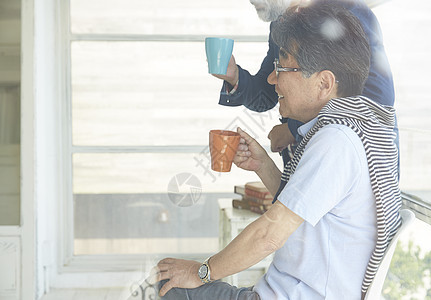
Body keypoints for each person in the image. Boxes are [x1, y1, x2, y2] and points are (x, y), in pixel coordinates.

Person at [152, 2, 402, 299]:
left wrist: (200, 271)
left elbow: (269, 235)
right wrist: (264, 165)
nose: (273, 79)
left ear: (324, 82)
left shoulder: (336, 142)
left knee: (170, 284)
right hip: (290, 289)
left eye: (281, 68)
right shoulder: (339, 134)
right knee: (170, 279)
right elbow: (313, 214)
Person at [213, 0, 397, 165]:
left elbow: (377, 100)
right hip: (305, 160)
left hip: (352, 161)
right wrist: (234, 76)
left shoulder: (348, 11)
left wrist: (292, 130)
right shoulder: (282, 22)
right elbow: (268, 93)